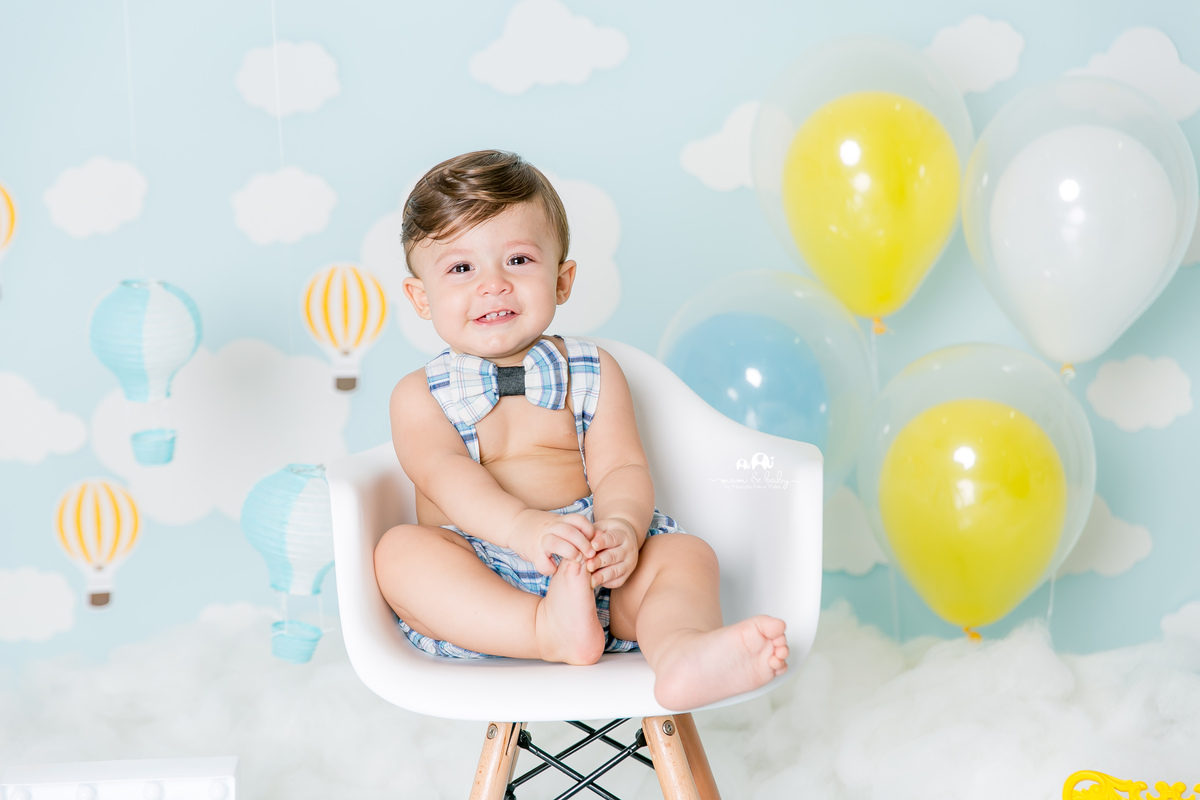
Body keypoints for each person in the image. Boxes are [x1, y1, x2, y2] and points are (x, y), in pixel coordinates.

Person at [374, 149, 788, 710]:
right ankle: (544, 629)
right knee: (401, 554)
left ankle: (683, 654)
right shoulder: (418, 396)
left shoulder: (592, 371)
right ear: (421, 298)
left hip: (593, 557)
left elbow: (622, 467)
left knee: (687, 556)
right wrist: (523, 529)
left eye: (517, 260)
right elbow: (446, 478)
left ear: (562, 279)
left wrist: (621, 528)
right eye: (461, 268)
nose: (493, 285)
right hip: (484, 571)